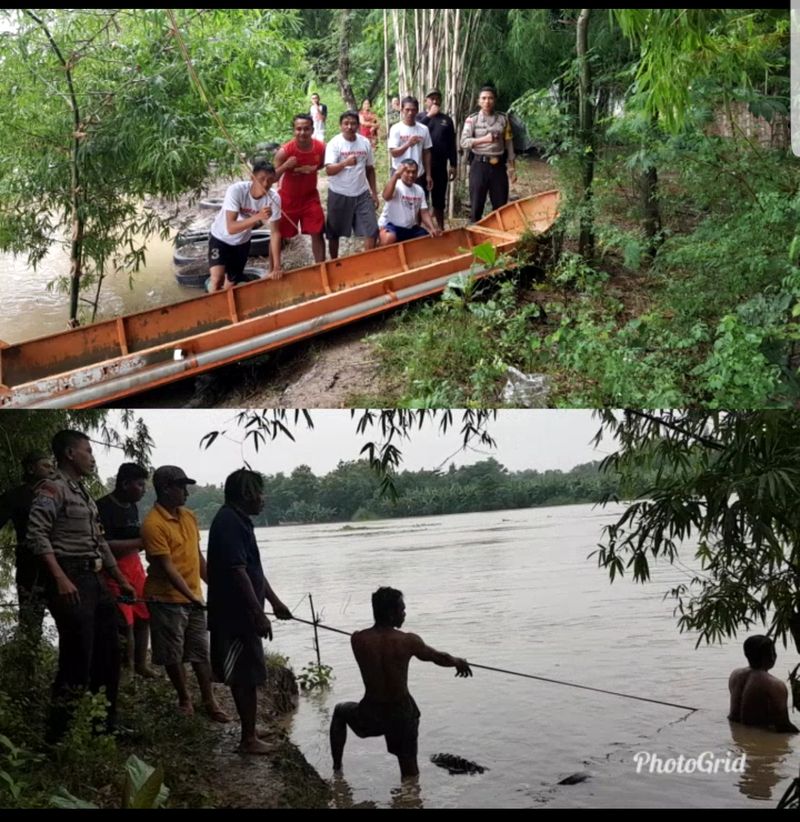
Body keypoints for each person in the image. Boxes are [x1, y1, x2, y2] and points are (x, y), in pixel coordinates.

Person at [27, 430, 136, 743]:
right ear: (69, 454)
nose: (92, 456)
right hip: (70, 576)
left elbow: (99, 540)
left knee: (111, 649)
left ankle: (103, 725)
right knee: (77, 657)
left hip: (95, 578)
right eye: (87, 450)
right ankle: (56, 739)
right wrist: (60, 578)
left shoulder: (83, 492)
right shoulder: (52, 488)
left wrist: (120, 578)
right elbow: (37, 535)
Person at [330, 587, 472, 779]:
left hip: (371, 712)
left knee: (340, 711)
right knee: (410, 772)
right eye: (401, 610)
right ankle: (411, 797)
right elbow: (438, 657)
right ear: (390, 613)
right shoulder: (408, 641)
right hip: (400, 713)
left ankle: (337, 770)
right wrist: (458, 662)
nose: (404, 614)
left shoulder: (357, 639)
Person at [207, 469, 293, 754]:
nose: (263, 498)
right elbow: (237, 572)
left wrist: (275, 602)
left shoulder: (240, 521)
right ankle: (248, 740)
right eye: (260, 492)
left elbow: (253, 569)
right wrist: (258, 613)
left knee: (250, 672)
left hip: (244, 613)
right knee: (246, 676)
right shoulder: (229, 522)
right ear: (247, 495)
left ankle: (250, 728)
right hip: (236, 616)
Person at [142, 465, 231, 723]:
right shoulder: (153, 524)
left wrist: (216, 586)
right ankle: (184, 698)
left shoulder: (189, 516)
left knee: (200, 651)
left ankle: (209, 700)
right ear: (166, 488)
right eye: (181, 487)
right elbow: (167, 568)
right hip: (166, 599)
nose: (186, 493)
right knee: (173, 654)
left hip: (193, 598)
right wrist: (190, 597)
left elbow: (197, 556)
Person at [96, 463, 158, 679]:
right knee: (125, 621)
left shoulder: (132, 506)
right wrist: (141, 542)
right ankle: (127, 670)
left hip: (135, 567)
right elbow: (104, 545)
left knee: (144, 615)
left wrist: (140, 544)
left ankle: (141, 664)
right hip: (113, 570)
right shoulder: (102, 507)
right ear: (125, 484)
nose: (144, 490)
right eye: (140, 485)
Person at [0, 451, 54, 645]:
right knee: (31, 614)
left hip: (61, 558)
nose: (51, 469)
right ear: (31, 469)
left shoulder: (58, 492)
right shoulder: (15, 496)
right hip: (29, 560)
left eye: (52, 466)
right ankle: (28, 664)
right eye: (45, 466)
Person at [208, 159, 283, 291]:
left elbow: (275, 233)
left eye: (270, 180)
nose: (266, 184)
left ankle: (227, 307)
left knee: (231, 282)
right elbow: (231, 228)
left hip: (242, 242)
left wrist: (277, 265)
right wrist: (258, 217)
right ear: (252, 178)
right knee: (217, 278)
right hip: (220, 237)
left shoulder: (274, 198)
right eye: (262, 179)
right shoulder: (236, 190)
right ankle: (212, 308)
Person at [324, 110, 380, 260]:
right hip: (338, 194)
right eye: (346, 123)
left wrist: (374, 193)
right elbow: (329, 170)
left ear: (358, 125)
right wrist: (345, 163)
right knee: (334, 232)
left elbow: (370, 169)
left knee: (372, 229)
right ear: (341, 126)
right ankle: (334, 262)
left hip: (362, 193)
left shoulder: (364, 142)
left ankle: (368, 262)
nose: (349, 126)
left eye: (353, 123)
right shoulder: (334, 144)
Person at [274, 114, 327, 263]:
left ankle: (321, 268)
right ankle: (273, 269)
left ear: (312, 129)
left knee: (317, 232)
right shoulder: (285, 151)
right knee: (279, 235)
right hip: (287, 198)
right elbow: (272, 177)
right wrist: (285, 166)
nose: (302, 132)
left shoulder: (320, 147)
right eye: (298, 129)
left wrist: (308, 169)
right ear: (294, 130)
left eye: (306, 129)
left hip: (310, 197)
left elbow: (322, 165)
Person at [460, 85, 517, 223]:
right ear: (479, 101)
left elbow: (509, 144)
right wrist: (483, 140)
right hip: (479, 165)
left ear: (495, 100)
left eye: (490, 98)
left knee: (500, 206)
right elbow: (464, 142)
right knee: (476, 205)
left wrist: (512, 167)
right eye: (484, 98)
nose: (487, 101)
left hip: (498, 167)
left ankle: (499, 238)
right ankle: (474, 237)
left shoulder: (504, 119)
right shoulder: (472, 120)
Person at [728, 635, 799, 733]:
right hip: (759, 735)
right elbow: (784, 726)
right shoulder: (775, 685)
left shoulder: (735, 675)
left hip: (736, 735)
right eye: (773, 652)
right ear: (770, 656)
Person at [416, 89, 458, 230]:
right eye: (431, 98)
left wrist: (453, 164)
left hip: (440, 166)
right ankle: (419, 229)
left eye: (437, 98)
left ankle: (440, 228)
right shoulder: (418, 118)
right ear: (425, 101)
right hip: (421, 167)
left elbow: (452, 143)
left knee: (439, 201)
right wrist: (429, 116)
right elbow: (416, 131)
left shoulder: (447, 120)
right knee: (420, 199)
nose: (434, 101)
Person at [379, 159, 442, 247]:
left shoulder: (419, 190)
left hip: (410, 228)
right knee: (388, 238)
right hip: (393, 226)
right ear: (401, 172)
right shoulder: (396, 185)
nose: (411, 175)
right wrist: (396, 174)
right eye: (407, 172)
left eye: (414, 172)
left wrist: (432, 228)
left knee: (428, 239)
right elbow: (386, 196)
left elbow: (424, 212)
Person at [387, 96, 432, 193]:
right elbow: (393, 153)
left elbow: (427, 152)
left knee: (418, 204)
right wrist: (408, 144)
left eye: (413, 110)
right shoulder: (396, 128)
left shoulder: (423, 129)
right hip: (399, 173)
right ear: (402, 110)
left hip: (418, 175)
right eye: (407, 109)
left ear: (417, 111)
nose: (410, 113)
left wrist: (428, 175)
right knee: (397, 204)